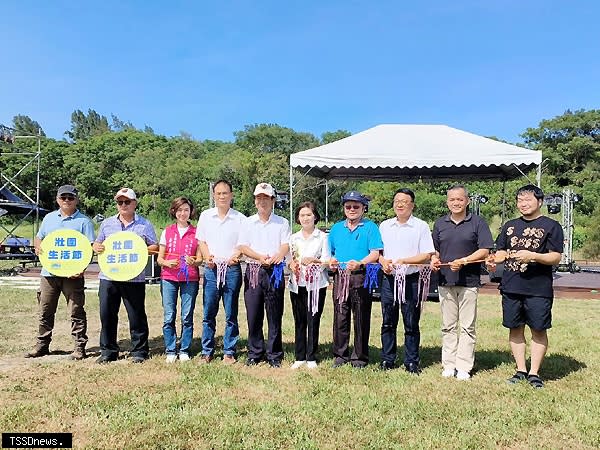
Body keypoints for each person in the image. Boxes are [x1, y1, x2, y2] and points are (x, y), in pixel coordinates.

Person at [486, 184, 563, 389]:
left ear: (539, 202)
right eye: (520, 200)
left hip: (538, 288)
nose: (523, 204)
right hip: (511, 285)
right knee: (514, 327)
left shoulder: (551, 226)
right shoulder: (510, 225)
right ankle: (520, 369)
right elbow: (501, 251)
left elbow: (556, 257)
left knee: (538, 329)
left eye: (528, 200)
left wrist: (534, 256)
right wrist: (495, 258)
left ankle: (534, 373)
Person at [25, 185, 95, 360]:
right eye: (63, 198)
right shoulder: (49, 218)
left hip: (73, 275)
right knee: (45, 310)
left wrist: (81, 270)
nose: (66, 201)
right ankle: (42, 345)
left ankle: (79, 347)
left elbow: (89, 249)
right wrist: (38, 246)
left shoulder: (84, 222)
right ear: (57, 199)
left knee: (76, 311)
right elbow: (39, 237)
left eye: (70, 198)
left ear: (76, 200)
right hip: (49, 273)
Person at [431, 184, 493, 380]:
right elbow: (435, 250)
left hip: (469, 281)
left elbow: (484, 250)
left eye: (460, 199)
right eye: (452, 199)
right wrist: (434, 259)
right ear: (447, 202)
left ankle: (464, 366)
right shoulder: (440, 223)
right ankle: (448, 364)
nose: (456, 203)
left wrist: (465, 261)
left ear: (467, 201)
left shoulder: (478, 223)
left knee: (467, 326)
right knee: (448, 325)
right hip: (444, 280)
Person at [93, 188, 158, 364]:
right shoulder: (107, 224)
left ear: (135, 203)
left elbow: (155, 247)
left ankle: (139, 351)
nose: (123, 205)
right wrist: (96, 247)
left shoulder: (144, 224)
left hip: (134, 277)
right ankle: (108, 350)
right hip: (109, 276)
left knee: (136, 315)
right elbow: (97, 243)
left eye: (127, 202)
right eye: (120, 202)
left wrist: (141, 250)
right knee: (107, 314)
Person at [378, 188, 435, 374]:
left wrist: (405, 261)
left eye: (404, 201)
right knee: (388, 321)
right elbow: (379, 252)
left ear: (412, 205)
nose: (400, 204)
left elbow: (427, 254)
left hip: (411, 279)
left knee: (411, 322)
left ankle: (411, 361)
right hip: (389, 279)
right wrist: (383, 262)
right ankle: (388, 359)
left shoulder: (421, 226)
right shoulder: (385, 225)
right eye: (396, 201)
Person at [237, 182, 290, 368]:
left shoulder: (282, 222)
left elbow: (285, 245)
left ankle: (274, 353)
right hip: (253, 269)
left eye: (266, 198)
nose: (262, 201)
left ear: (273, 200)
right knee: (254, 313)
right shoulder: (247, 222)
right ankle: (255, 352)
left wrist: (278, 255)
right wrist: (260, 257)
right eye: (259, 198)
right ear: (255, 201)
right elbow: (243, 246)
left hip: (274, 270)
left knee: (274, 314)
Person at [328, 190, 383, 368]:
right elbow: (331, 253)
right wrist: (332, 262)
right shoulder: (336, 228)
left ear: (363, 208)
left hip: (361, 276)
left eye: (356, 206)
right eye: (348, 206)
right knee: (340, 315)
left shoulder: (371, 227)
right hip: (341, 276)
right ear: (344, 208)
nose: (352, 209)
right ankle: (340, 354)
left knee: (361, 316)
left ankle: (359, 356)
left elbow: (375, 253)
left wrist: (360, 263)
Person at [195, 180, 246, 364]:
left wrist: (236, 255)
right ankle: (206, 351)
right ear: (214, 195)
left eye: (225, 193)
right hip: (211, 270)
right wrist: (207, 256)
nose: (222, 196)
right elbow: (201, 241)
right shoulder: (206, 216)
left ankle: (229, 351)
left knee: (231, 312)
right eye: (218, 193)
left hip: (232, 270)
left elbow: (243, 243)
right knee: (209, 312)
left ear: (231, 195)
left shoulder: (240, 218)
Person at [156, 197, 200, 363]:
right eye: (179, 210)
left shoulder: (196, 232)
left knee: (187, 316)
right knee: (169, 315)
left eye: (186, 210)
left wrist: (194, 261)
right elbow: (159, 259)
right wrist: (167, 262)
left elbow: (200, 258)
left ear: (190, 212)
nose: (183, 213)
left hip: (190, 278)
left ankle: (184, 350)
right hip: (169, 278)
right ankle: (170, 349)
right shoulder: (167, 231)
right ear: (174, 211)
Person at [287, 201, 330, 369]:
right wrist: (292, 265)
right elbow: (289, 259)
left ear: (315, 217)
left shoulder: (323, 237)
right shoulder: (293, 238)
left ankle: (311, 356)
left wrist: (315, 261)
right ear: (298, 218)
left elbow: (327, 260)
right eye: (302, 215)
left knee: (313, 319)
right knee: (299, 320)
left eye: (309, 215)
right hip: (297, 284)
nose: (305, 218)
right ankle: (299, 356)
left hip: (316, 285)